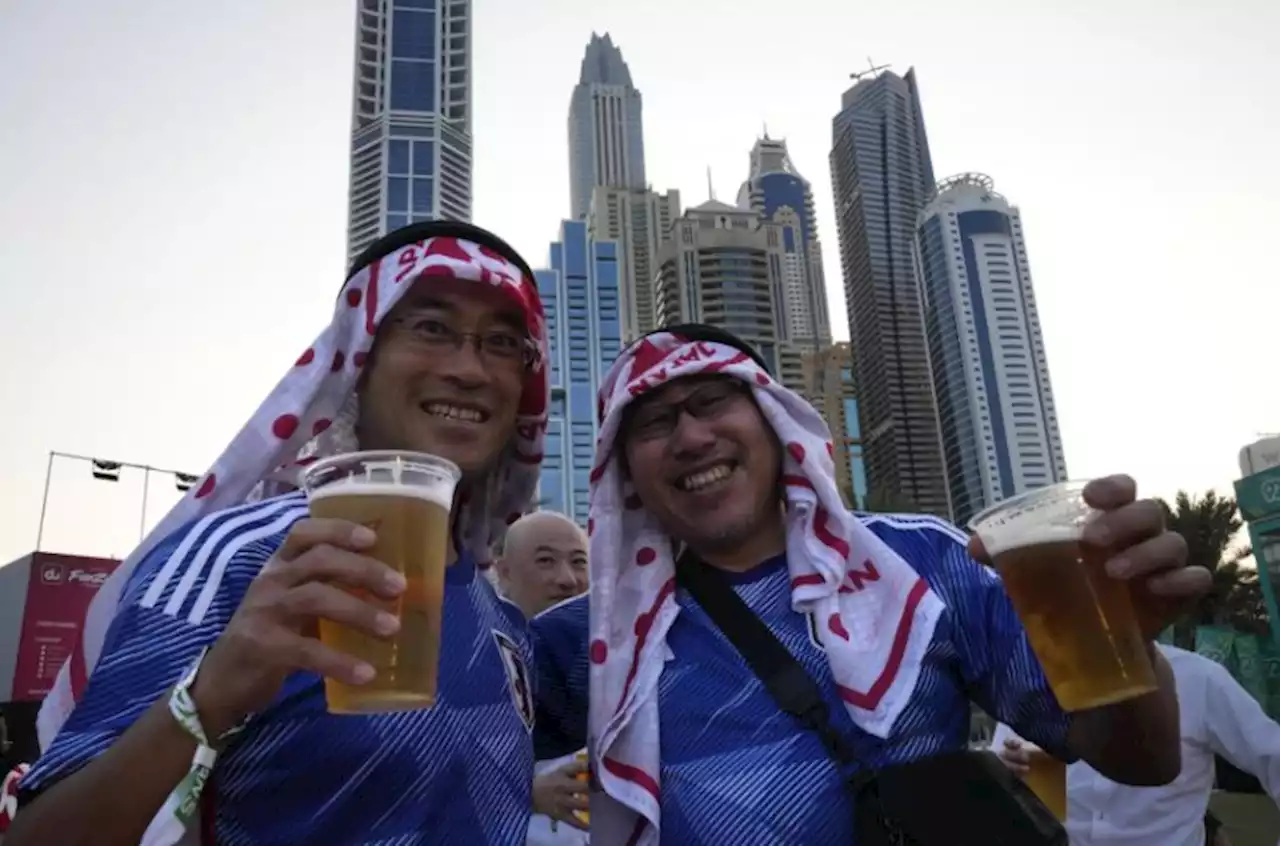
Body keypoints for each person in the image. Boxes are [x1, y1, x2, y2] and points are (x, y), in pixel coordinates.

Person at [8, 220, 553, 846]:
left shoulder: (504, 619)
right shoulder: (233, 559)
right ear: (358, 362)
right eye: (431, 328)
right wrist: (207, 699)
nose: (470, 368)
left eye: (503, 343)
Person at [567, 324, 1211, 845]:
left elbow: (1142, 763)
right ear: (623, 475)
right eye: (652, 424)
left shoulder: (923, 561)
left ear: (774, 420)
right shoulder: (589, 641)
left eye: (711, 402)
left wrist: (1129, 646)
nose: (691, 436)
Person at [995, 643, 1280, 846]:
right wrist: (1003, 772)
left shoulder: (1199, 679)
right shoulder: (1028, 681)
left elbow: (1273, 755)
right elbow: (1000, 774)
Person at [497, 511, 591, 845]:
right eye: (546, 561)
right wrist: (525, 791)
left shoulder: (623, 664)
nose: (567, 579)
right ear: (503, 572)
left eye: (579, 562)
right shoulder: (471, 660)